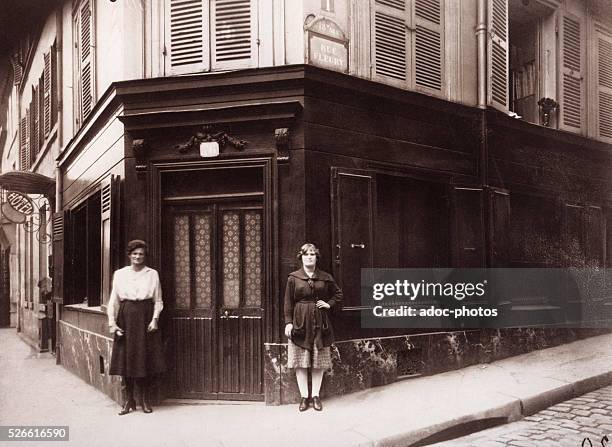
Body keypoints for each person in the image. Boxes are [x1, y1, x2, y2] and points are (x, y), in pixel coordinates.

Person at [107, 240, 165, 415]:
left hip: (145, 316)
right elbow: (114, 300)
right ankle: (128, 401)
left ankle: (145, 400)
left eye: (141, 254)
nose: (138, 257)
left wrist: (155, 319)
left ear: (144, 255)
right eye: (135, 254)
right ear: (129, 255)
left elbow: (158, 300)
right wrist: (113, 323)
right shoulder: (120, 274)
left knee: (145, 359)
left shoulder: (152, 274)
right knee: (126, 359)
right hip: (126, 316)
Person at [284, 243, 342, 411]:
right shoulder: (293, 278)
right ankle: (304, 397)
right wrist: (288, 323)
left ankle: (315, 396)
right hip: (300, 322)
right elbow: (288, 302)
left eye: (312, 254)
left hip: (319, 323)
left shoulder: (325, 277)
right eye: (306, 254)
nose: (309, 257)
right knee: (300, 362)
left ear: (317, 257)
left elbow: (338, 294)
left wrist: (328, 304)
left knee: (319, 361)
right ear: (300, 257)